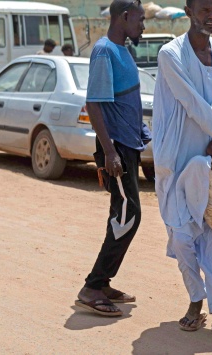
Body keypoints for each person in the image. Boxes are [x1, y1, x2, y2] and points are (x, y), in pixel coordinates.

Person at [152, 0, 212, 341]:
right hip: (176, 162)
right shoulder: (171, 54)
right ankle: (196, 298)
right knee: (183, 239)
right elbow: (193, 104)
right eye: (204, 9)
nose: (211, 16)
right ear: (189, 10)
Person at [74, 0, 149, 317]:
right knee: (128, 216)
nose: (144, 26)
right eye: (141, 20)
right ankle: (93, 286)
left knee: (123, 216)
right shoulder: (104, 51)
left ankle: (101, 283)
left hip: (127, 145)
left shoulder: (124, 52)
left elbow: (124, 101)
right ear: (125, 16)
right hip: (115, 148)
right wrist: (109, 151)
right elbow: (94, 104)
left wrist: (141, 131)